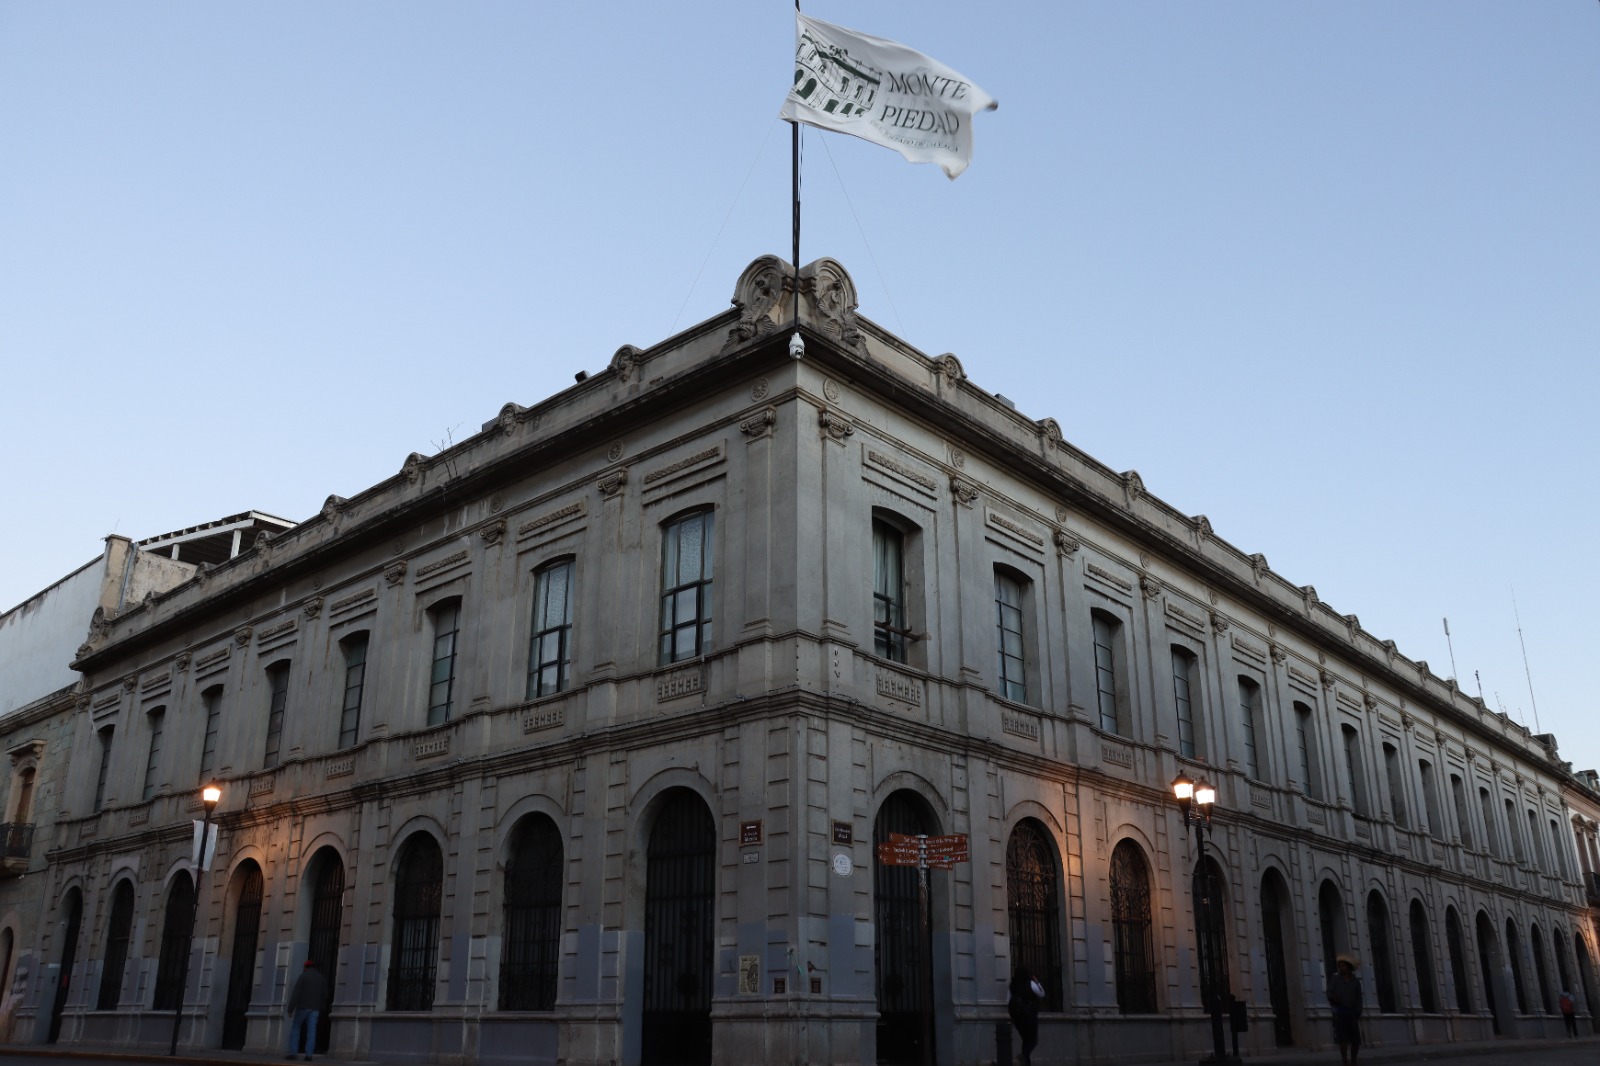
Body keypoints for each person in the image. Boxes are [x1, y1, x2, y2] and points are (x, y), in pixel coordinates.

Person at [285, 959, 329, 1062]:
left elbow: (296, 993)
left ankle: (293, 1053)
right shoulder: (321, 978)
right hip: (315, 1009)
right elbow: (325, 995)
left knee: (296, 1028)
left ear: (305, 968)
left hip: (303, 1007)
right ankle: (309, 1055)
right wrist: (321, 1007)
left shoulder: (303, 977)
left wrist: (290, 1009)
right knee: (311, 1031)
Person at [1326, 954, 1363, 1066]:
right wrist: (1332, 998)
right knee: (1342, 1040)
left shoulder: (1355, 982)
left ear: (1349, 967)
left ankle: (1354, 1060)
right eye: (1340, 966)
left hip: (1352, 1013)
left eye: (1343, 966)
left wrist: (1358, 1012)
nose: (1341, 968)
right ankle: (1345, 1061)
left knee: (1355, 1040)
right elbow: (1329, 992)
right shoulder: (1335, 979)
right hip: (1340, 1012)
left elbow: (1359, 998)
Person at [1008, 965, 1045, 1066]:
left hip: (1017, 1018)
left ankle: (1026, 1062)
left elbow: (1009, 1000)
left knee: (1026, 1040)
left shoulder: (1013, 985)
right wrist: (1036, 981)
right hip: (1029, 1016)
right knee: (1033, 1040)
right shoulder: (1031, 983)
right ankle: (1024, 1055)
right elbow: (1042, 994)